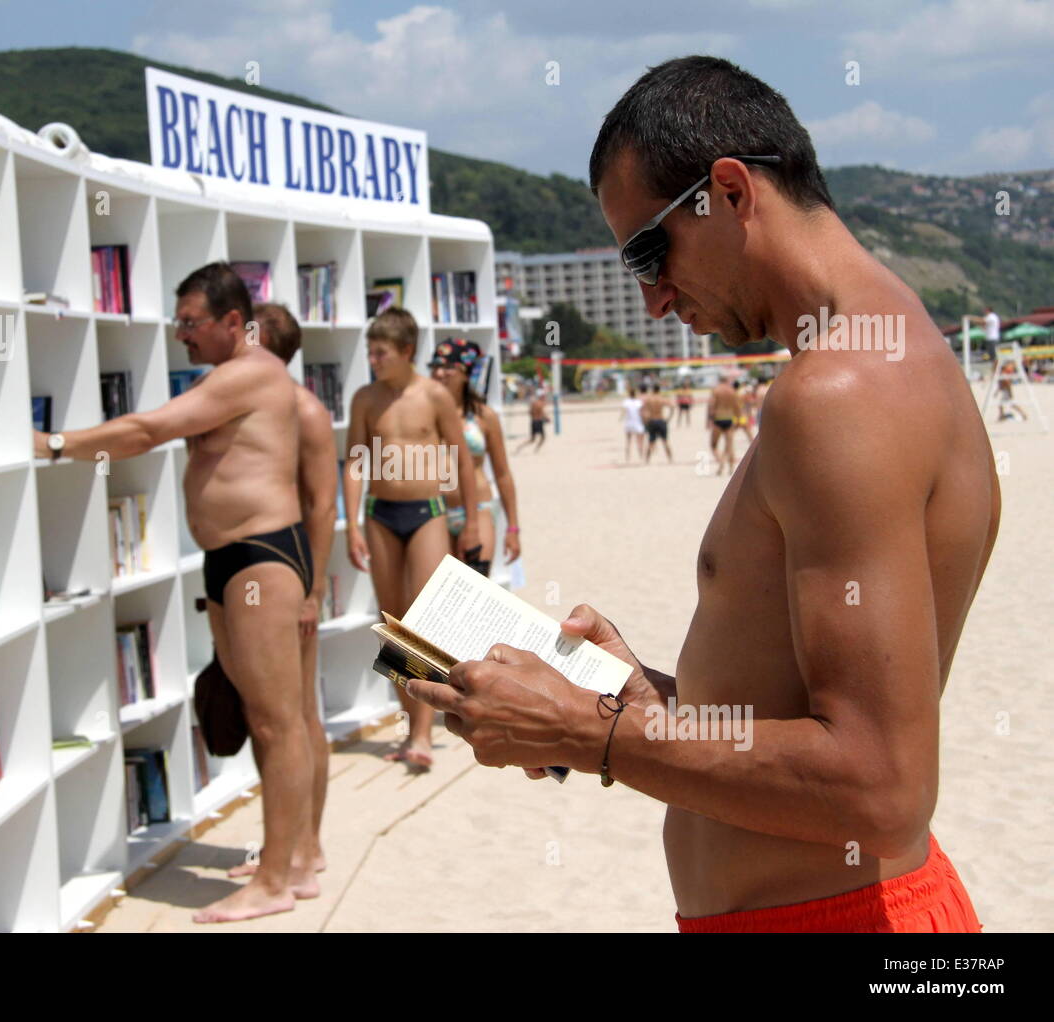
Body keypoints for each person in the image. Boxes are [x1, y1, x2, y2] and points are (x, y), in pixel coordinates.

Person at [407, 55, 996, 934]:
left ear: (728, 191)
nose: (650, 297)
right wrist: (638, 699)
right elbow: (797, 718)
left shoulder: (841, 393)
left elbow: (881, 787)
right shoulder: (883, 355)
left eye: (650, 251)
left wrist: (587, 733)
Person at [33, 261, 315, 923]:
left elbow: (145, 432)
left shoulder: (248, 372)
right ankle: (290, 862)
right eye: (177, 321)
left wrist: (51, 444)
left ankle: (277, 881)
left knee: (277, 723)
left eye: (191, 323)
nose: (180, 334)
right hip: (233, 559)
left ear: (233, 324)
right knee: (266, 717)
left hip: (260, 558)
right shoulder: (233, 375)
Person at [222, 302, 335, 885]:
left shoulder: (304, 411)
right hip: (262, 578)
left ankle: (306, 850)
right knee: (273, 718)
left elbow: (322, 506)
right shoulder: (255, 407)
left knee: (299, 719)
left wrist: (313, 591)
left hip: (292, 579)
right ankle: (283, 847)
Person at [344, 308, 479, 769]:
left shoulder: (434, 396)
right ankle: (410, 727)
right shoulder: (364, 398)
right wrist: (351, 524)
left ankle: (423, 733)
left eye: (380, 352)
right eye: (369, 351)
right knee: (394, 627)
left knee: (423, 626)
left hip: (428, 512)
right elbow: (354, 462)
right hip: (381, 514)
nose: (373, 359)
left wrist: (474, 522)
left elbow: (462, 460)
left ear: (405, 352)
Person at [428, 337, 522, 576]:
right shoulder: (425, 414)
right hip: (434, 511)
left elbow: (502, 473)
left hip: (478, 509)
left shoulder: (483, 416)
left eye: (449, 367)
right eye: (435, 366)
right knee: (438, 596)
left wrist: (512, 528)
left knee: (473, 587)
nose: (439, 373)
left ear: (466, 373)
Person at [705, 373, 742, 475]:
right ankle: (731, 468)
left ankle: (721, 461)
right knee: (729, 445)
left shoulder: (716, 390)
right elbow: (737, 407)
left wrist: (709, 420)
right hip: (729, 419)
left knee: (713, 445)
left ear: (719, 381)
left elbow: (711, 405)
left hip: (718, 419)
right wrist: (739, 420)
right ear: (727, 381)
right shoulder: (732, 391)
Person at [641, 380, 674, 463]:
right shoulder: (661, 398)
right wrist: (669, 418)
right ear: (659, 390)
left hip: (652, 420)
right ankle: (670, 459)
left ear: (652, 390)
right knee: (665, 441)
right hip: (661, 420)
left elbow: (644, 410)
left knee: (651, 441)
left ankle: (647, 460)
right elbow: (672, 407)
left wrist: (645, 420)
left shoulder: (649, 399)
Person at [515, 387, 550, 453]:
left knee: (532, 439)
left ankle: (520, 447)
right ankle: (536, 450)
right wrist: (547, 418)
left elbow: (530, 412)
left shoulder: (533, 404)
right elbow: (543, 413)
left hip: (533, 422)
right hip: (539, 422)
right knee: (543, 438)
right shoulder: (541, 404)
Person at [620, 384, 646, 461]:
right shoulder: (639, 402)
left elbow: (624, 411)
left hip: (629, 423)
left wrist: (621, 418)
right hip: (637, 423)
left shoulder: (626, 402)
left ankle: (627, 457)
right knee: (640, 441)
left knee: (628, 441)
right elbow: (642, 413)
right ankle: (641, 457)